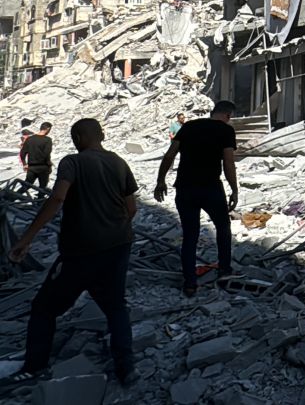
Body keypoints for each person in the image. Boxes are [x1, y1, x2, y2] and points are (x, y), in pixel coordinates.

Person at [3, 118, 137, 388]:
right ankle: (126, 367)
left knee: (44, 308)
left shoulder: (72, 162)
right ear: (102, 135)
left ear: (77, 138)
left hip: (80, 251)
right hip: (118, 246)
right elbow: (131, 208)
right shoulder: (119, 162)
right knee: (115, 306)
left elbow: (57, 198)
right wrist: (112, 227)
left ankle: (34, 367)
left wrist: (26, 239)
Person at [154, 100, 238, 296]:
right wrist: (234, 189)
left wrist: (160, 181)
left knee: (190, 235)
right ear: (227, 115)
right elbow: (229, 163)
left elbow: (169, 156)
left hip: (185, 188)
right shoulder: (226, 131)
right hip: (211, 188)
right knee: (223, 227)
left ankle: (190, 282)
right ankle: (224, 269)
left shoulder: (189, 127)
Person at [20, 122, 54, 189]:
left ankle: (10, 197)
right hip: (43, 168)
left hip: (31, 168)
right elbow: (46, 154)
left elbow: (22, 153)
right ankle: (40, 198)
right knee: (42, 188)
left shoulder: (29, 139)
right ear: (48, 129)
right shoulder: (47, 140)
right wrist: (49, 165)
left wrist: (24, 164)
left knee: (26, 186)